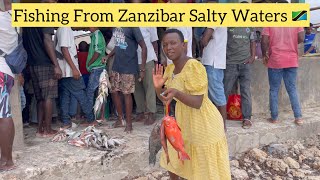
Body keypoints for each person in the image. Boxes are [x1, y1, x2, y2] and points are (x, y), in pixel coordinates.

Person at [153, 29, 231, 180]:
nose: (168, 47)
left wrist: (176, 93)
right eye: (165, 44)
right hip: (185, 124)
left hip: (204, 124)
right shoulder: (170, 69)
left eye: (173, 43)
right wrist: (158, 88)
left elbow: (198, 102)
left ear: (184, 45)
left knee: (205, 171)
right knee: (173, 161)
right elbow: (165, 99)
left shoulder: (194, 66)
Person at [22, 0, 62, 137]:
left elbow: (24, 41)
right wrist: (56, 65)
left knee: (40, 98)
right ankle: (49, 130)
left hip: (33, 64)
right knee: (49, 96)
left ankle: (40, 129)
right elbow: (47, 40)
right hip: (45, 63)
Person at [262, 26, 304, 125]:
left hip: (276, 59)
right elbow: (302, 37)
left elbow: (264, 41)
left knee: (274, 89)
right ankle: (298, 118)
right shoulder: (296, 17)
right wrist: (291, 42)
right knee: (292, 89)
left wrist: (264, 54)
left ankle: (274, 118)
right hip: (292, 59)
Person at [55, 27, 95, 129]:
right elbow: (64, 49)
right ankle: (91, 119)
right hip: (70, 70)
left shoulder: (60, 29)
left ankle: (66, 122)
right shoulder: (65, 29)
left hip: (65, 71)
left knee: (65, 96)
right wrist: (74, 69)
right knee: (81, 95)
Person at [110, 27, 147, 132]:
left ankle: (129, 124)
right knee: (114, 91)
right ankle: (120, 119)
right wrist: (108, 56)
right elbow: (117, 45)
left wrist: (142, 68)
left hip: (129, 66)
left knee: (127, 94)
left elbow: (144, 47)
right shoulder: (115, 27)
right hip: (116, 65)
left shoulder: (133, 26)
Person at [224, 27, 256, 129]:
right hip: (230, 64)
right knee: (225, 90)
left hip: (245, 64)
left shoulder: (249, 26)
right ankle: (220, 117)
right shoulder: (228, 25)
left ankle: (247, 118)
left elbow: (253, 42)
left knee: (245, 91)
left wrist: (252, 57)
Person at [0, 0, 17, 171]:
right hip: (7, 72)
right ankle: (7, 159)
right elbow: (9, 5)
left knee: (3, 115)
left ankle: (5, 161)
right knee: (5, 114)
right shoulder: (10, 17)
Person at [201, 27, 228, 131]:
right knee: (214, 94)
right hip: (214, 61)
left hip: (213, 61)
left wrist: (202, 38)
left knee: (217, 94)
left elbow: (204, 41)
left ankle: (222, 126)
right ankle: (217, 124)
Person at [133, 27, 158, 125]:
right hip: (134, 59)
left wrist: (156, 60)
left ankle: (152, 113)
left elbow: (154, 42)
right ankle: (141, 111)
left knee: (149, 87)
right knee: (136, 87)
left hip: (148, 59)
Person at [84, 27, 106, 126]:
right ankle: (99, 118)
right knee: (100, 94)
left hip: (97, 68)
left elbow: (98, 51)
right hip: (98, 68)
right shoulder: (96, 35)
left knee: (90, 93)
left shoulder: (97, 34)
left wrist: (89, 63)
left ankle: (91, 119)